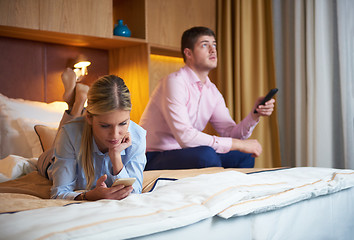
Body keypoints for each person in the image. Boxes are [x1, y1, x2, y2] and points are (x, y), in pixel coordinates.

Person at [139, 26, 275, 170]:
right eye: (205, 45)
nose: (213, 50)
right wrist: (240, 145)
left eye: (214, 44)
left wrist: (255, 114)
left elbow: (231, 134)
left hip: (186, 153)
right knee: (207, 155)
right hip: (154, 155)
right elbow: (185, 137)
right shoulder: (174, 82)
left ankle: (232, 191)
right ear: (188, 53)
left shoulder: (212, 91)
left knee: (243, 155)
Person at [37, 68, 147, 200]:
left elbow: (134, 193)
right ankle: (75, 105)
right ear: (89, 117)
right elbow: (59, 193)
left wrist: (116, 156)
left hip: (79, 132)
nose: (115, 135)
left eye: (123, 123)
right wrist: (89, 196)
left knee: (72, 131)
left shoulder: (138, 136)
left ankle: (76, 102)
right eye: (105, 125)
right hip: (50, 159)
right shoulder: (70, 134)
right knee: (67, 134)